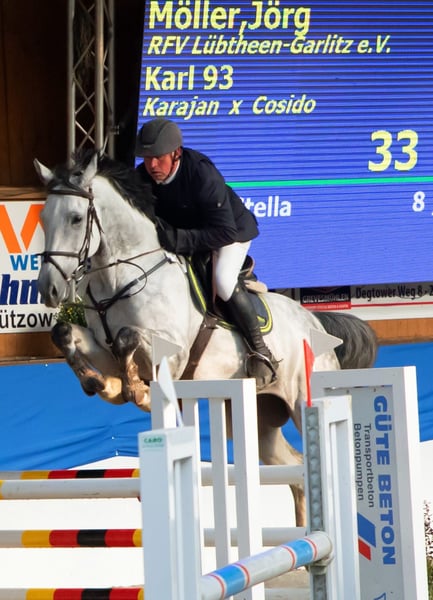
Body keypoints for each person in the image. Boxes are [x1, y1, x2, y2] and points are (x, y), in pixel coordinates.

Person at [135, 117, 278, 388]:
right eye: (146, 158)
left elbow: (223, 232)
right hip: (187, 237)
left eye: (158, 158)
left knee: (223, 281)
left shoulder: (201, 173)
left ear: (176, 153)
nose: (152, 165)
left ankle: (260, 351)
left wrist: (179, 240)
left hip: (230, 234)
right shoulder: (142, 177)